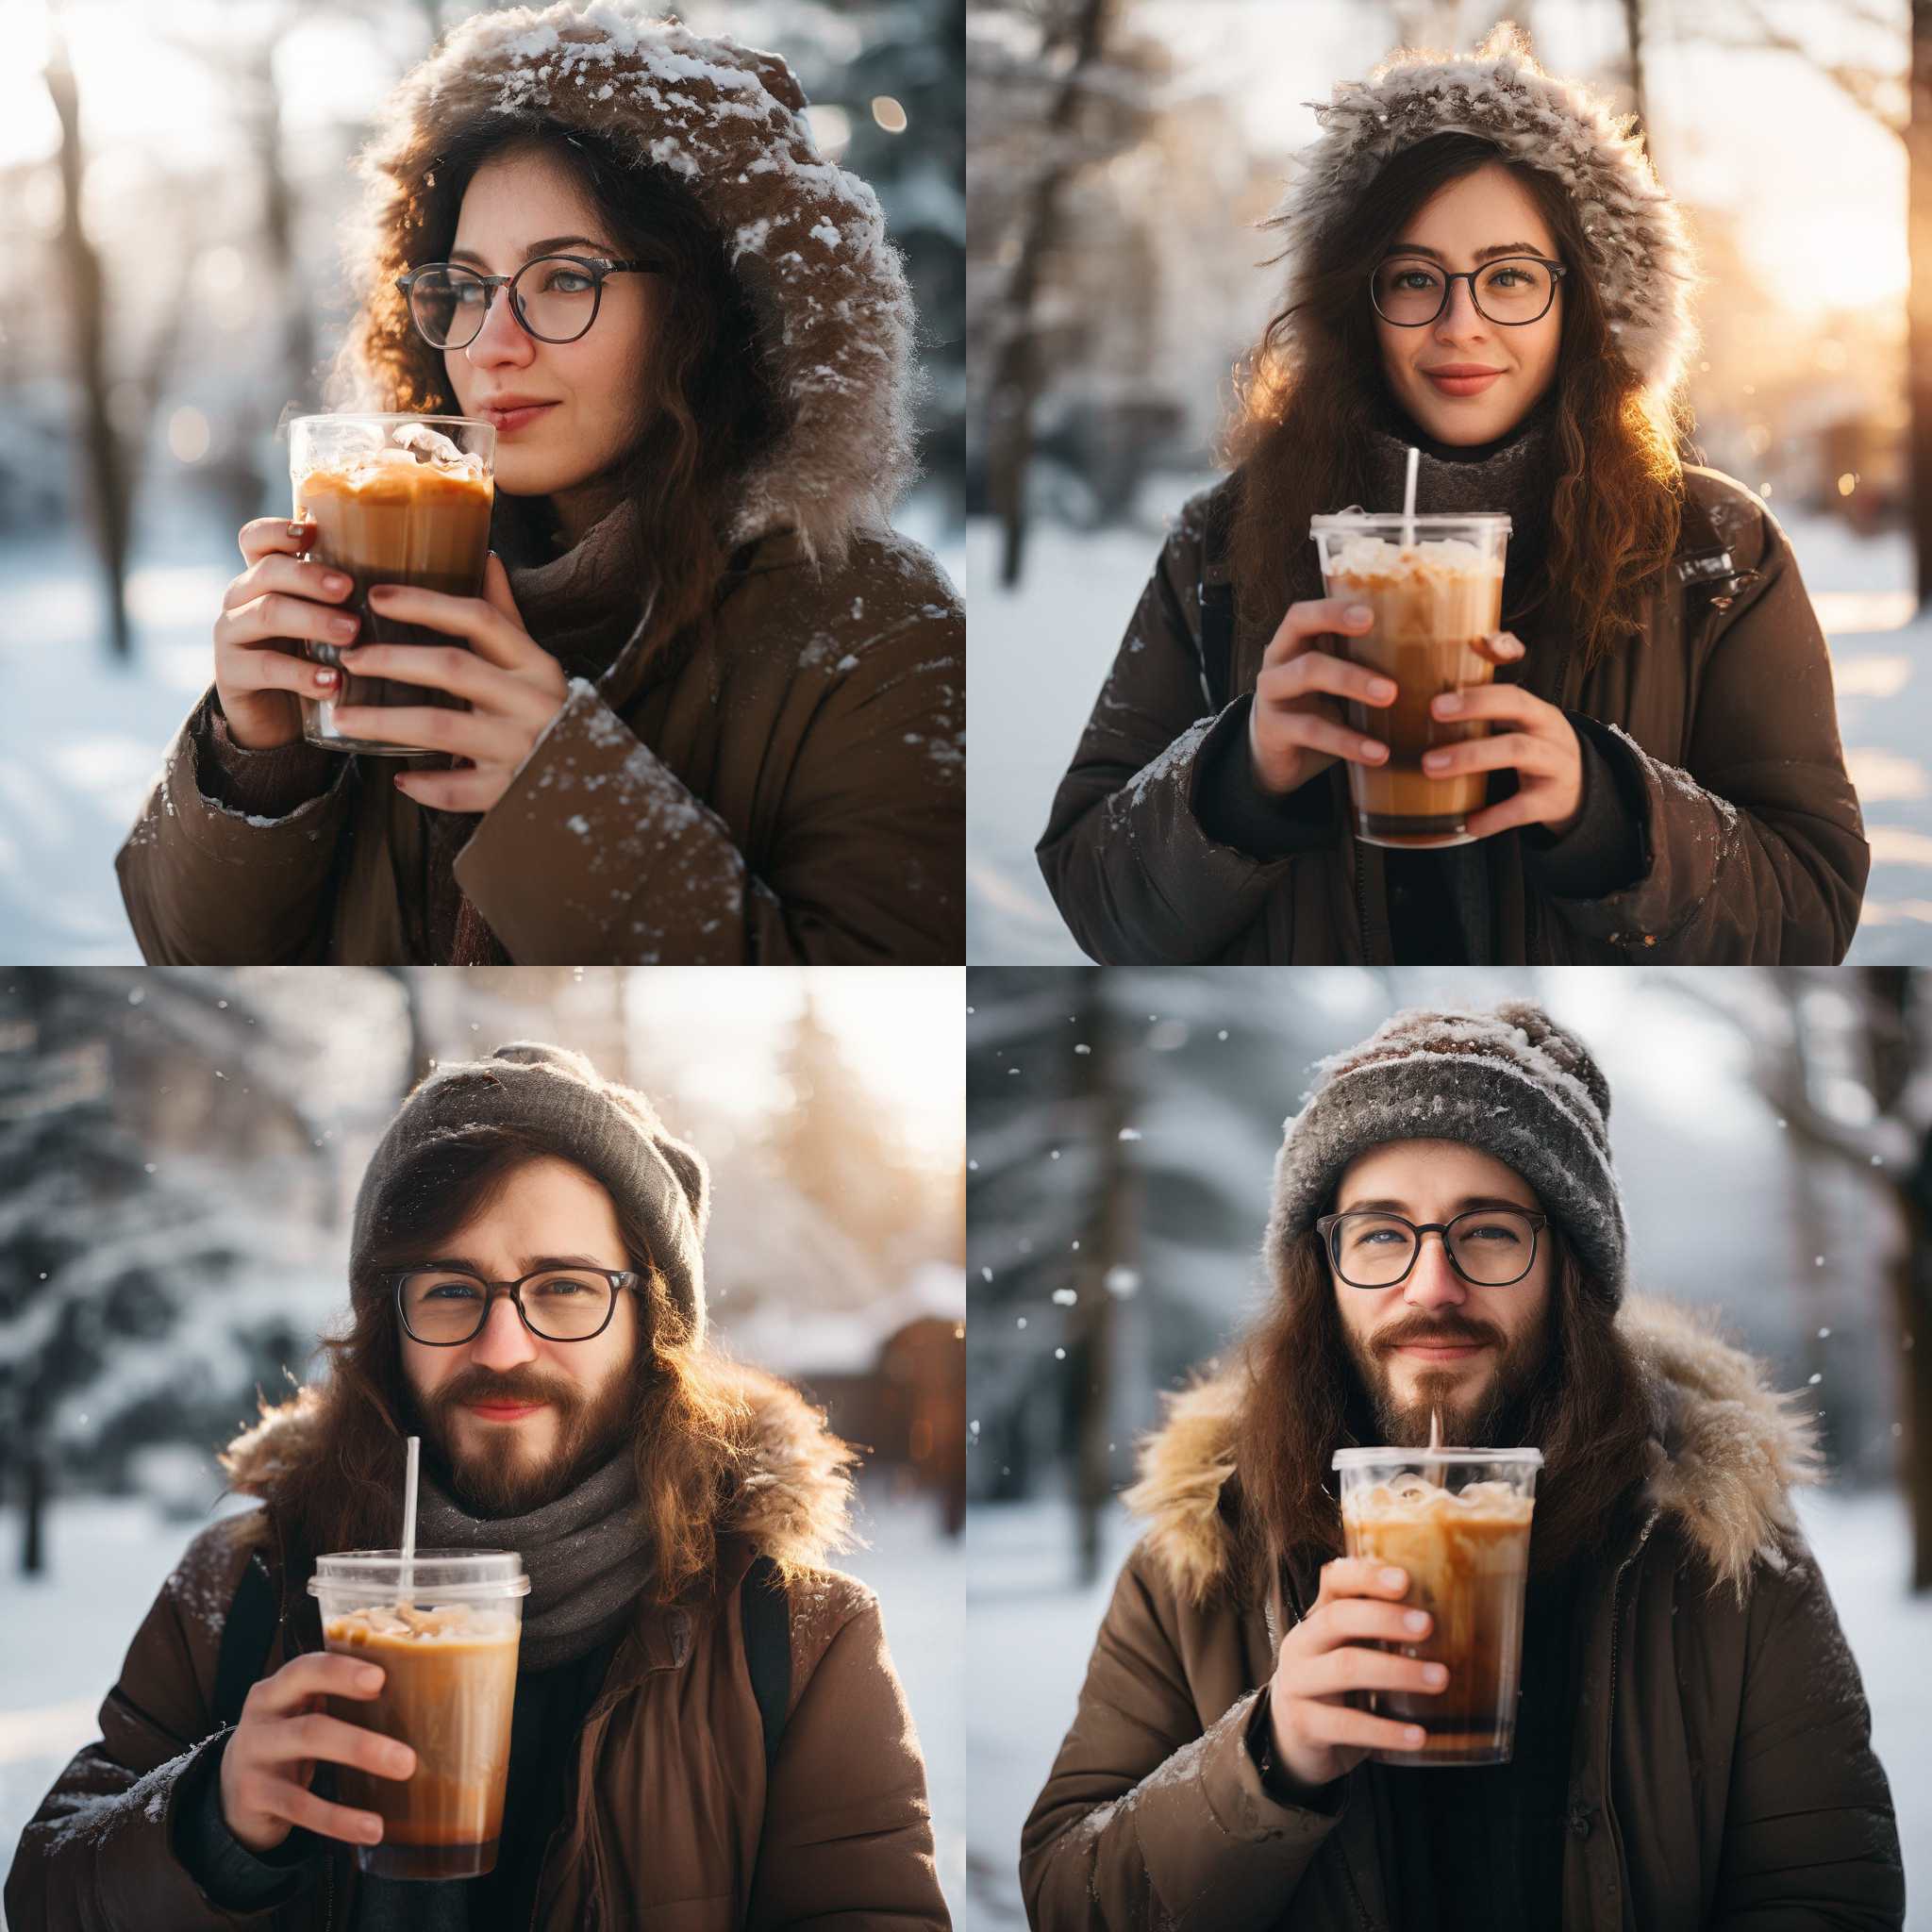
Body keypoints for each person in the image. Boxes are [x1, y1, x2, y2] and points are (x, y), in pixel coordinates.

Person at [8, 1042, 947, 1931]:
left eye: (566, 1287)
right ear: (390, 1321)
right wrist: (208, 1820)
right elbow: (47, 1888)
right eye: (450, 1289)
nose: (503, 1346)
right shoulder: (242, 1582)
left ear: (650, 1320)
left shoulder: (795, 1632)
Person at [1022, 1003, 1903, 1929]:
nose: (1431, 1286)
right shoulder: (1201, 1549)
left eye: (1486, 1231)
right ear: (1319, 1275)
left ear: (1565, 1269)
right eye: (1380, 1233)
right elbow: (1063, 1895)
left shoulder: (1717, 1543)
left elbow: (1825, 1891)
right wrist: (1266, 1755)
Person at [118, 4, 963, 966]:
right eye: (466, 286)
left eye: (563, 279)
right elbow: (197, 969)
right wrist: (255, 758)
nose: (491, 344)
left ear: (714, 302)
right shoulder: (374, 582)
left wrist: (566, 800)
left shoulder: (880, 630)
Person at [1038, 24, 1866, 964]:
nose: (1458, 323)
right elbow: (1093, 893)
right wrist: (1236, 779)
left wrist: (1607, 808)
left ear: (1581, 299)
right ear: (1359, 301)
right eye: (1413, 279)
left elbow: (1812, 909)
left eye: (1509, 276)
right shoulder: (1219, 542)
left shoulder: (1714, 547)